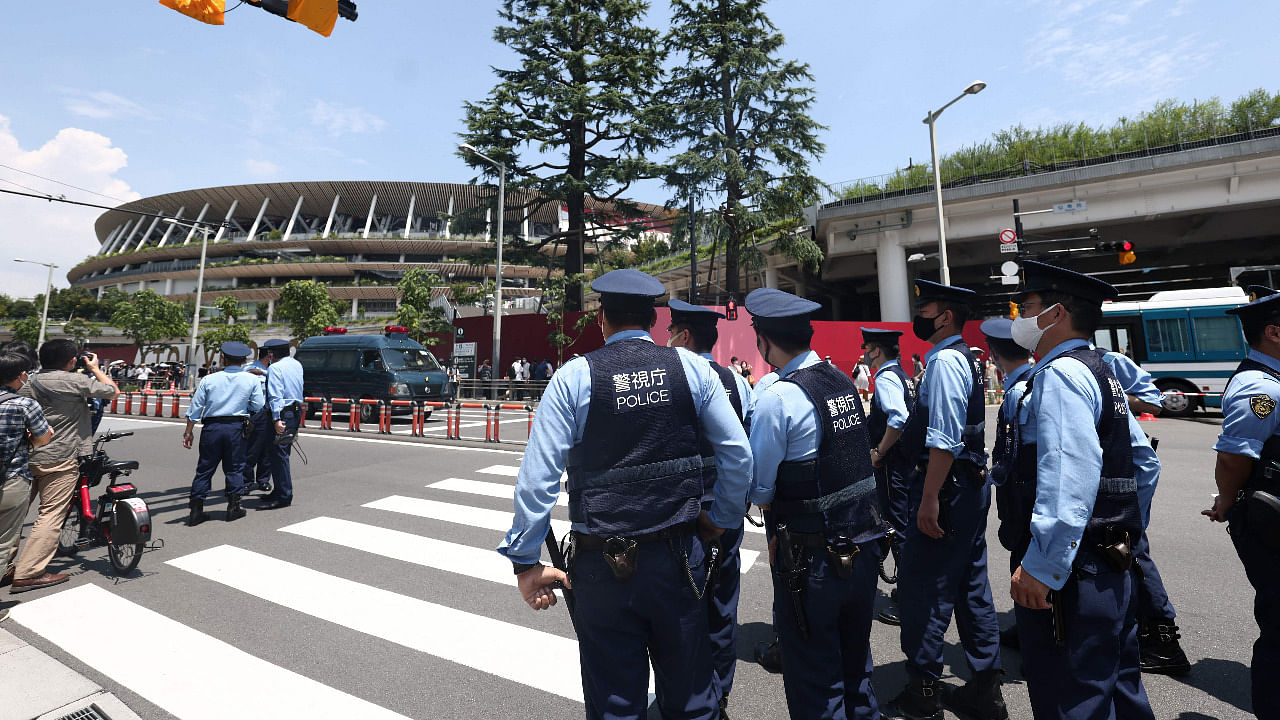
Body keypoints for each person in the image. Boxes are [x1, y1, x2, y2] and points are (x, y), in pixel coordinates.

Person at [498, 269, 752, 720]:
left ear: (602, 318)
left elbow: (537, 480)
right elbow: (738, 455)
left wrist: (526, 561)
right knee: (693, 698)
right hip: (679, 557)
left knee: (616, 703)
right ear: (655, 321)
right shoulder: (692, 369)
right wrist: (723, 517)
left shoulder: (573, 378)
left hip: (602, 565)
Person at [1000, 261, 1155, 720]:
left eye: (1026, 307)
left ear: (1055, 314)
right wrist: (1121, 528)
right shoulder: (1101, 370)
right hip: (1107, 560)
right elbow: (1145, 466)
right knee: (1116, 683)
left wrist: (1044, 565)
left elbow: (1068, 478)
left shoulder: (1061, 375)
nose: (1020, 316)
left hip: (1070, 569)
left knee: (1070, 695)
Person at [745, 288, 884, 719]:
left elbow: (760, 490)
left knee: (815, 683)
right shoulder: (840, 380)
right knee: (856, 669)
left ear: (764, 341)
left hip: (811, 558)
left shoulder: (777, 398)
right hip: (864, 543)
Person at [884, 279, 1003, 720]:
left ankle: (924, 691)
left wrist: (929, 497)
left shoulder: (947, 363)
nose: (920, 315)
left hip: (947, 488)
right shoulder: (956, 359)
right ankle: (985, 687)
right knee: (971, 586)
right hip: (964, 488)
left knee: (924, 588)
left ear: (946, 317)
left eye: (926, 308)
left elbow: (944, 440)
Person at [666, 298, 755, 716]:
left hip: (686, 512)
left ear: (683, 336)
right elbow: (746, 448)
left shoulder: (669, 380)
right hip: (726, 508)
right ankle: (721, 694)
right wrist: (727, 514)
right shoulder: (738, 382)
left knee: (684, 609)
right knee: (722, 604)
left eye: (669, 333)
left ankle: (691, 698)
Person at [1203, 285, 1280, 719]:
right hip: (1269, 520)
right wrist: (1227, 501)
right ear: (1274, 332)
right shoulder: (1259, 385)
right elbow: (1233, 457)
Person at [10, 341, 118, 593]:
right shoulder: (76, 381)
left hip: (26, 455)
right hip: (61, 457)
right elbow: (112, 391)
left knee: (14, 515)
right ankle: (29, 572)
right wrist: (95, 367)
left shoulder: (28, 382)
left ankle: (6, 566)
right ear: (72, 361)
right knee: (50, 514)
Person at [862, 327, 917, 627]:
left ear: (877, 350)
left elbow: (897, 418)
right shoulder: (902, 374)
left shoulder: (885, 378)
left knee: (898, 529)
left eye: (868, 349)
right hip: (903, 464)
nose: (865, 356)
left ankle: (909, 598)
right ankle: (909, 587)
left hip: (892, 467)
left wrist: (879, 452)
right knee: (902, 524)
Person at [182, 342, 265, 526]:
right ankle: (233, 508)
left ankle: (196, 510)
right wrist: (244, 408)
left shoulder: (208, 380)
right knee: (235, 468)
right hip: (236, 428)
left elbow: (195, 408)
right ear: (244, 361)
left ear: (224, 358)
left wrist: (188, 433)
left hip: (211, 428)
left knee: (204, 469)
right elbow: (258, 405)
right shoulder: (251, 380)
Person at [0, 352, 53, 598]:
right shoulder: (24, 404)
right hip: (12, 480)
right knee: (2, 545)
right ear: (22, 376)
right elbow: (43, 438)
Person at [257, 339, 303, 511]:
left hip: (282, 412)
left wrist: (276, 419)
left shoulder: (275, 368)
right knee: (281, 453)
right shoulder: (297, 364)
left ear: (271, 354)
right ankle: (279, 490)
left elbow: (276, 395)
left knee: (278, 455)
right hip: (295, 411)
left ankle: (284, 496)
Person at [243, 345, 274, 495]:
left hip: (270, 413)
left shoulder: (271, 370)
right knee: (251, 449)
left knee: (267, 449)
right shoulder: (249, 368)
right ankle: (247, 481)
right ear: (269, 356)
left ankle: (263, 480)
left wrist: (263, 372)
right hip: (256, 413)